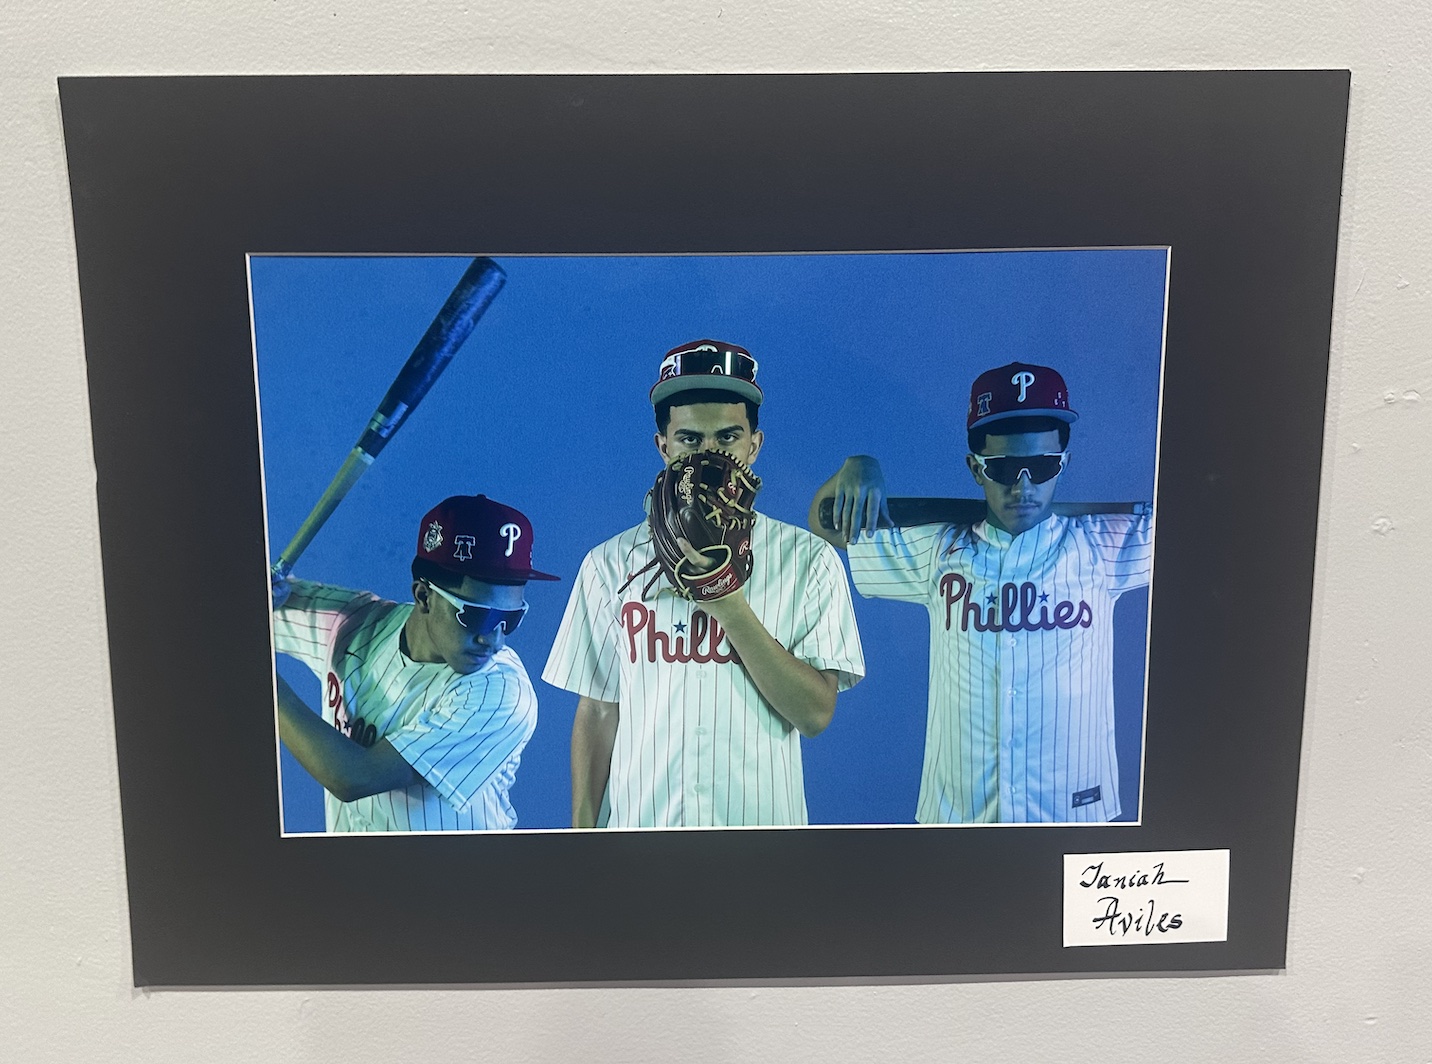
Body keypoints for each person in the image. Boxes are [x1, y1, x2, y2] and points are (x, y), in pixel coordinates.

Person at [810, 362, 1152, 824]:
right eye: (1006, 468)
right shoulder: (938, 550)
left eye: (1043, 466)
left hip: (1073, 813)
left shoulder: (1102, 546)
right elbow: (828, 524)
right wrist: (858, 468)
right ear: (975, 468)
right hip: (958, 818)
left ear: (1064, 462)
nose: (1024, 484)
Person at [543, 339, 865, 828]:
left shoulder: (809, 561)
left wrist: (731, 606)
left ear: (754, 446)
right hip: (640, 842)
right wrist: (583, 838)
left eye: (728, 438)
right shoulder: (607, 564)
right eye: (691, 440)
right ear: (664, 446)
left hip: (763, 846)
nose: (710, 455)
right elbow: (597, 711)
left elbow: (815, 715)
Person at [270, 494, 559, 832]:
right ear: (424, 596)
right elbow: (240, 606)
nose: (493, 639)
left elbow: (352, 777)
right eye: (479, 616)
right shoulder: (355, 620)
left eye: (510, 619)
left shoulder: (499, 693)